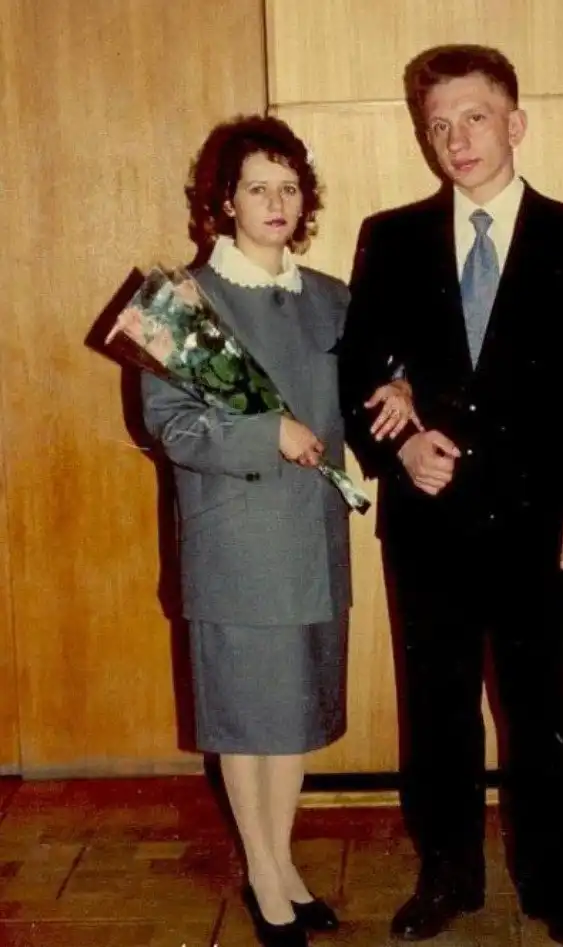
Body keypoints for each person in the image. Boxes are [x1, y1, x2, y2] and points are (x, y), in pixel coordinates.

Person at [338, 45, 563, 947]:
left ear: (515, 123)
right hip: (429, 515)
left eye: (474, 118)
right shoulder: (391, 237)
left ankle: (554, 888)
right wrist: (398, 448)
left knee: (538, 708)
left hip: (539, 519)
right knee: (437, 705)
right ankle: (447, 876)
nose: (456, 139)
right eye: (438, 126)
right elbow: (360, 368)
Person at [141, 115, 412, 947]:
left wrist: (400, 389)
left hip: (313, 537)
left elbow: (370, 390)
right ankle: (264, 876)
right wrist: (269, 433)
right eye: (257, 187)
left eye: (289, 187)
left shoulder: (333, 297)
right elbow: (169, 425)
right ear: (224, 201)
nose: (276, 201)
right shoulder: (181, 303)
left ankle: (281, 863)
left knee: (292, 714)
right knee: (245, 715)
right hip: (235, 539)